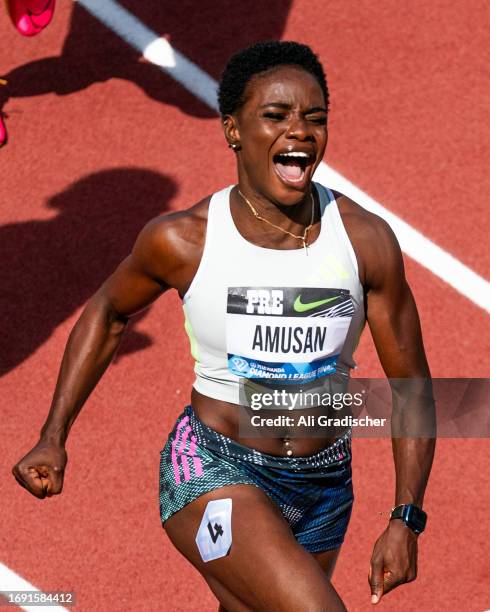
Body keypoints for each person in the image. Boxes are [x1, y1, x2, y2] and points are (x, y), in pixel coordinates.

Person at [12, 41, 435, 610]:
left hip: (324, 484)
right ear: (233, 130)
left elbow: (410, 386)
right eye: (277, 116)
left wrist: (406, 517)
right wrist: (53, 437)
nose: (301, 132)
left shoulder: (365, 240)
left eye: (315, 118)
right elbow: (108, 313)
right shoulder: (184, 240)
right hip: (215, 466)